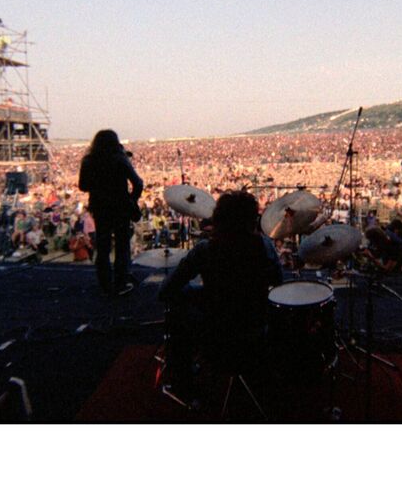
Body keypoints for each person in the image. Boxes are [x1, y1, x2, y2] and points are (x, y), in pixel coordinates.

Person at [159, 191, 283, 397]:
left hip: (214, 333)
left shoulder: (204, 250)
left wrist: (195, 292)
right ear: (253, 220)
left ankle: (183, 382)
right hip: (256, 330)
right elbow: (278, 284)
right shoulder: (265, 247)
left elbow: (166, 291)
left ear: (218, 219)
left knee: (177, 308)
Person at [79, 130, 143, 296]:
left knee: (103, 245)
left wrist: (98, 185)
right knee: (122, 245)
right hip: (120, 207)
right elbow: (138, 182)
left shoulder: (88, 160)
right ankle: (121, 283)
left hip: (100, 207)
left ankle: (105, 284)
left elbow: (83, 186)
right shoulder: (120, 158)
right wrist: (132, 200)